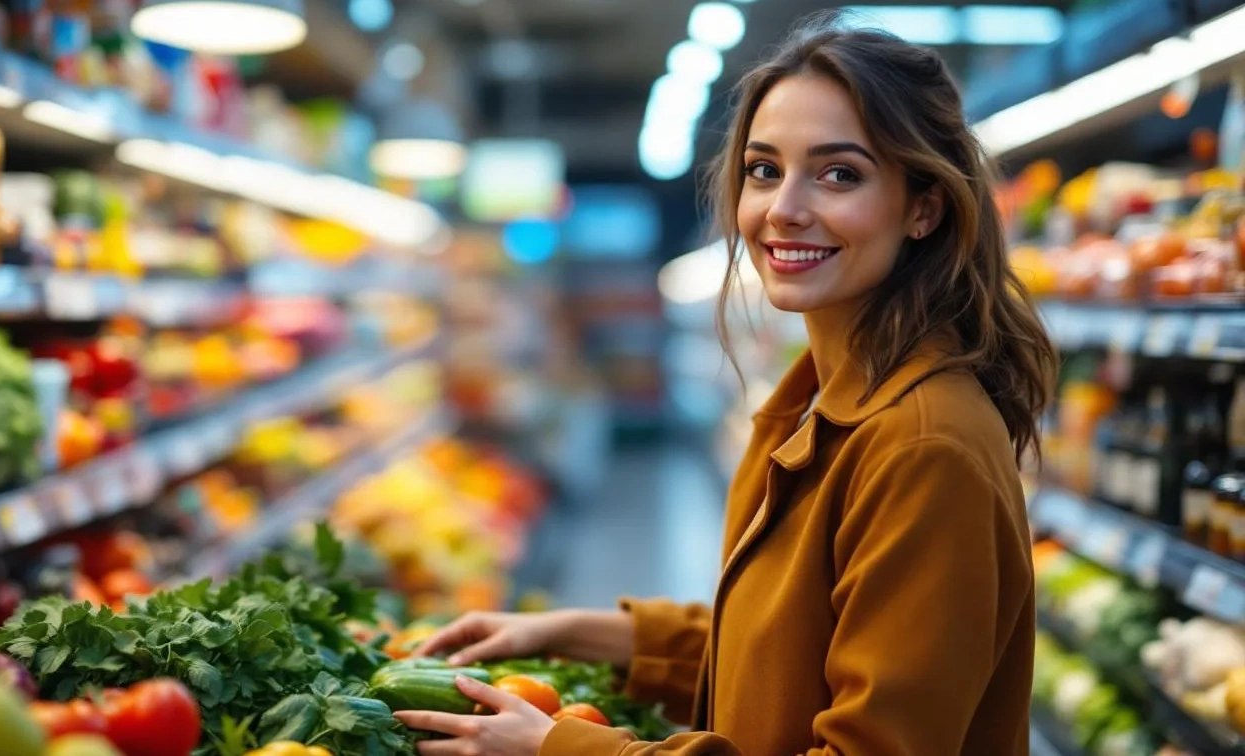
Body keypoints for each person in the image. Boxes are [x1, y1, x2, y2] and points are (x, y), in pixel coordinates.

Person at [393, 12, 1058, 756]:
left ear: (924, 208)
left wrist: (562, 749)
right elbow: (788, 650)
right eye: (764, 169)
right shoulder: (823, 403)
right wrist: (575, 633)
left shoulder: (923, 447)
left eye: (840, 173)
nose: (785, 209)